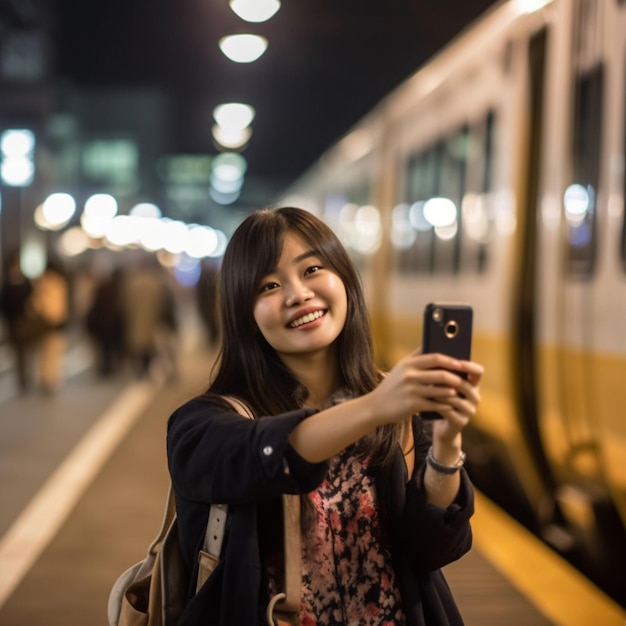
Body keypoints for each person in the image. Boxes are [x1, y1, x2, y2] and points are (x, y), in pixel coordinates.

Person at [166, 207, 484, 625]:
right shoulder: (203, 425)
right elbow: (264, 454)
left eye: (312, 269)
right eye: (269, 285)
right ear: (245, 315)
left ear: (345, 280)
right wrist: (375, 406)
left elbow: (433, 551)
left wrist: (446, 444)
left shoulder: (396, 413)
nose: (298, 294)